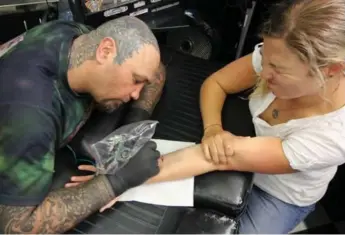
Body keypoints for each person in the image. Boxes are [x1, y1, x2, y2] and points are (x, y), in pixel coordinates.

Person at [71, 0, 345, 233]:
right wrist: (213, 129)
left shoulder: (333, 135)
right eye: (267, 59)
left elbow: (211, 156)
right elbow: (217, 83)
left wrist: (116, 181)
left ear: (332, 70)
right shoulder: (280, 56)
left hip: (276, 193)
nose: (264, 71)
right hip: (237, 140)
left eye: (278, 69)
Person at [0, 16, 169, 233]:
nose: (137, 93)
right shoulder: (31, 116)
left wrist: (133, 126)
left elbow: (156, 71)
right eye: (135, 80)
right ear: (105, 52)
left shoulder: (77, 36)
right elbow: (16, 227)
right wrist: (115, 181)